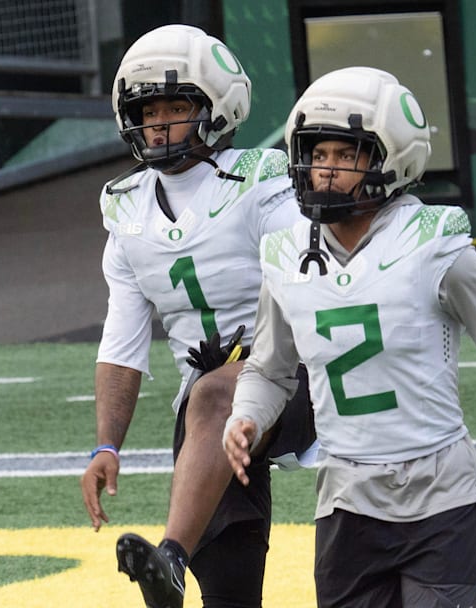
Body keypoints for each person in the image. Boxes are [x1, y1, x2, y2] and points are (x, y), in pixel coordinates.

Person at [222, 66, 476, 607]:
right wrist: (246, 415)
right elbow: (268, 368)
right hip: (344, 501)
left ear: (394, 158)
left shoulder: (432, 244)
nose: (327, 171)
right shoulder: (286, 252)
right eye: (319, 155)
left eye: (346, 156)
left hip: (439, 498)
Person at [78, 24, 315, 608]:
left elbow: (311, 287)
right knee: (230, 585)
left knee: (212, 394)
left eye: (174, 106)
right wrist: (106, 446)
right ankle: (192, 574)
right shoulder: (126, 210)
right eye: (146, 109)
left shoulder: (262, 183)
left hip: (301, 371)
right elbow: (122, 341)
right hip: (210, 403)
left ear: (218, 107)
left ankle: (170, 559)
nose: (157, 122)